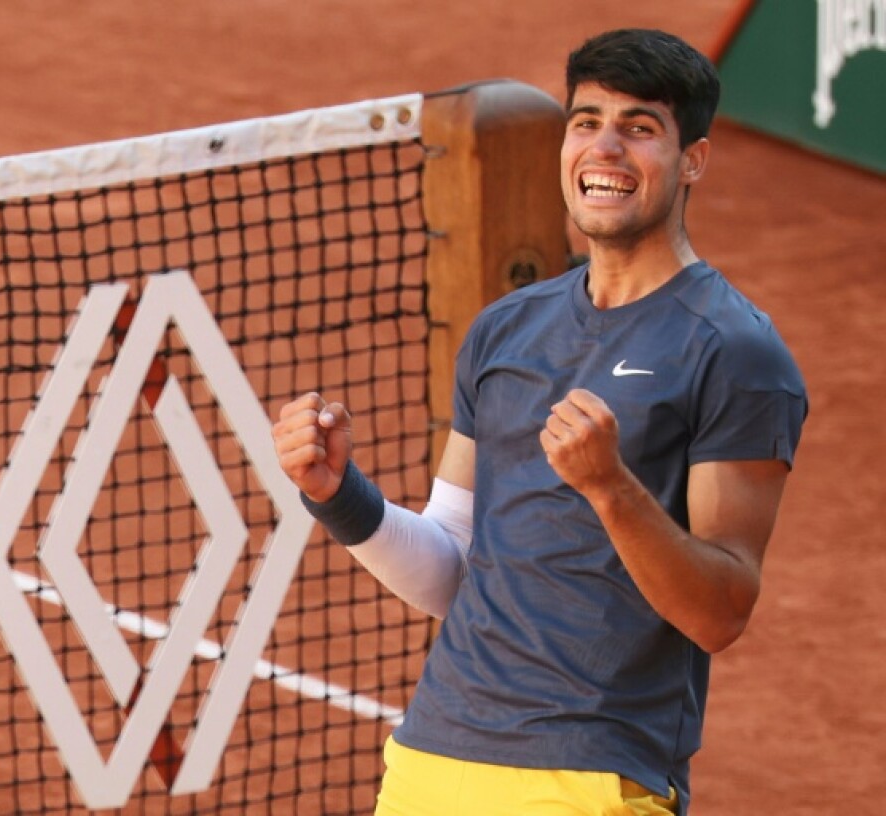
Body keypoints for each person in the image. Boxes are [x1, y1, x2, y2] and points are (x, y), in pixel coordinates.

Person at [272, 28, 807, 816]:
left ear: (693, 160)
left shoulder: (734, 350)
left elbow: (720, 611)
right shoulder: (505, 329)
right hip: (430, 757)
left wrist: (611, 488)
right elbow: (452, 568)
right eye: (587, 122)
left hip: (589, 777)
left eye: (640, 127)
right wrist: (337, 495)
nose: (605, 149)